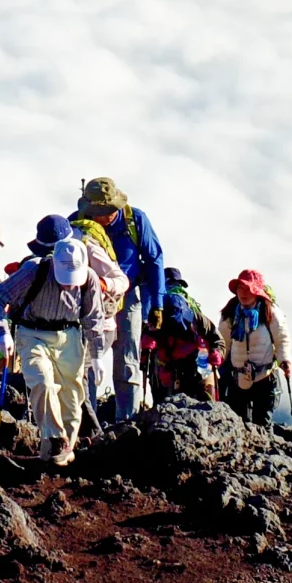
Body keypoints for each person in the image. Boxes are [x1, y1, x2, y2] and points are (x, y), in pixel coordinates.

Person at [0, 215, 124, 466]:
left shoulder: (89, 278)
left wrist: (98, 354)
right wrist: (1, 331)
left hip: (69, 337)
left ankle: (57, 457)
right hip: (33, 334)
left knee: (72, 399)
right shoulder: (34, 270)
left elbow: (93, 318)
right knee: (42, 383)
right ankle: (57, 439)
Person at [73, 177, 163, 421]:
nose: (105, 216)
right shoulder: (78, 224)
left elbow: (154, 260)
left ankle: (127, 424)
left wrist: (157, 304)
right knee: (87, 361)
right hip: (88, 301)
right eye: (100, 212)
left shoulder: (135, 220)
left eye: (109, 210)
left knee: (127, 361)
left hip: (128, 298)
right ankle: (87, 421)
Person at [219, 268, 288, 426]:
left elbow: (281, 338)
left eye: (248, 289)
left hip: (265, 376)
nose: (243, 293)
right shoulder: (230, 313)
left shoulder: (269, 311)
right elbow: (223, 342)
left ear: (257, 291)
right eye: (240, 289)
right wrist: (217, 360)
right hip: (238, 377)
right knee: (239, 423)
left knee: (262, 423)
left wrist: (285, 360)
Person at [143, 266, 220, 404]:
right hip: (173, 366)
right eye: (172, 284)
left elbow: (217, 341)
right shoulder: (195, 315)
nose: (176, 288)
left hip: (187, 365)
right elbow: (216, 338)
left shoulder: (155, 314)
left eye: (177, 284)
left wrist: (217, 353)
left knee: (171, 403)